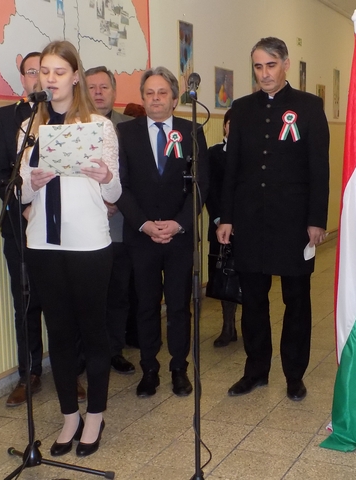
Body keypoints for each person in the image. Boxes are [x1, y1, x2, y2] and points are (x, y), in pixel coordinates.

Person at [19, 40, 121, 457]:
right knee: (58, 333)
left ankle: (95, 415)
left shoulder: (99, 126)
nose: (51, 79)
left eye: (59, 72)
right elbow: (20, 194)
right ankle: (69, 417)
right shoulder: (29, 127)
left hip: (89, 243)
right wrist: (31, 183)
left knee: (92, 331)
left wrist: (105, 176)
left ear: (75, 76)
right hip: (43, 242)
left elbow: (114, 192)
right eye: (44, 72)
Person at [217, 37, 330, 402]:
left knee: (296, 301)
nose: (264, 73)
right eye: (258, 66)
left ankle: (294, 375)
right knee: (253, 301)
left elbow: (319, 169)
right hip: (250, 220)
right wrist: (226, 217)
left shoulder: (309, 107)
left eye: (270, 65)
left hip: (293, 221)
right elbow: (232, 169)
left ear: (285, 64)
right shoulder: (241, 108)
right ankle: (256, 371)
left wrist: (316, 219)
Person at [116, 66, 208, 398]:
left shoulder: (191, 130)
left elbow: (201, 184)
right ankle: (149, 369)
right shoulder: (125, 133)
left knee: (180, 306)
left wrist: (179, 223)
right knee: (146, 305)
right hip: (141, 236)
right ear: (143, 98)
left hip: (179, 237)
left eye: (162, 93)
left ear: (174, 98)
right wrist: (143, 223)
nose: (156, 99)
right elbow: (120, 185)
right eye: (149, 93)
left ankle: (179, 368)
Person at [0, 51, 49, 407]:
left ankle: (71, 372)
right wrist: (23, 207)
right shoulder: (4, 118)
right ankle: (30, 373)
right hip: (20, 226)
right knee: (25, 304)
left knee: (62, 302)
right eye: (31, 72)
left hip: (58, 229)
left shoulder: (64, 117)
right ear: (22, 78)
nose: (38, 78)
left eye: (45, 71)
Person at [85, 66, 135, 375]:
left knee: (118, 293)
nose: (98, 92)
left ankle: (115, 350)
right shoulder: (74, 127)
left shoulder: (128, 127)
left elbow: (134, 176)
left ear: (114, 91)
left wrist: (115, 201)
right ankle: (86, 354)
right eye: (92, 87)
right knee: (87, 298)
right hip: (83, 229)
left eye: (104, 87)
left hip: (119, 226)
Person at [205, 108, 239, 347]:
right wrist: (220, 219)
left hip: (248, 226)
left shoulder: (254, 154)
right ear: (225, 126)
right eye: (230, 123)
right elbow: (210, 190)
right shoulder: (213, 154)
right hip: (220, 226)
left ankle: (250, 326)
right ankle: (228, 326)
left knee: (248, 278)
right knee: (224, 276)